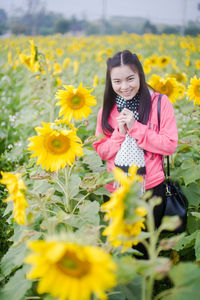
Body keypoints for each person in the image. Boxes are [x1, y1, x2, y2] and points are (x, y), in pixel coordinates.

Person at [93, 50, 178, 230]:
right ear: (111, 82)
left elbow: (170, 145)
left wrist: (137, 128)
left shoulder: (160, 104)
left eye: (130, 79)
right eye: (117, 81)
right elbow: (102, 151)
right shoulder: (107, 110)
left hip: (151, 189)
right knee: (122, 245)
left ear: (140, 75)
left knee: (146, 246)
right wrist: (120, 133)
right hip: (117, 189)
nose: (124, 86)